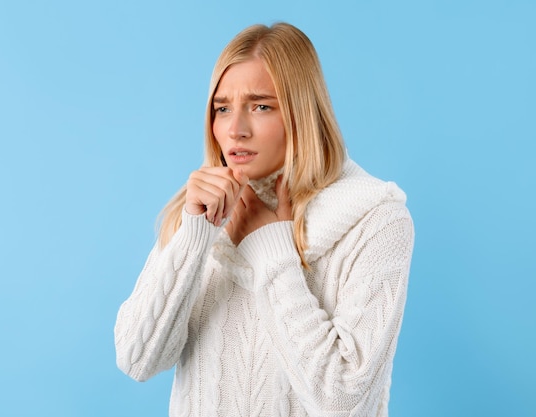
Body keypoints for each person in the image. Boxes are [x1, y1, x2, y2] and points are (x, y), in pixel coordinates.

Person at [115, 22, 414, 417]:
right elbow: (138, 359)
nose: (235, 130)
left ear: (301, 111)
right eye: (222, 109)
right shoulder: (199, 211)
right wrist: (194, 237)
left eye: (261, 106)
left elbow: (344, 402)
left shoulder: (375, 218)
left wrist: (272, 249)